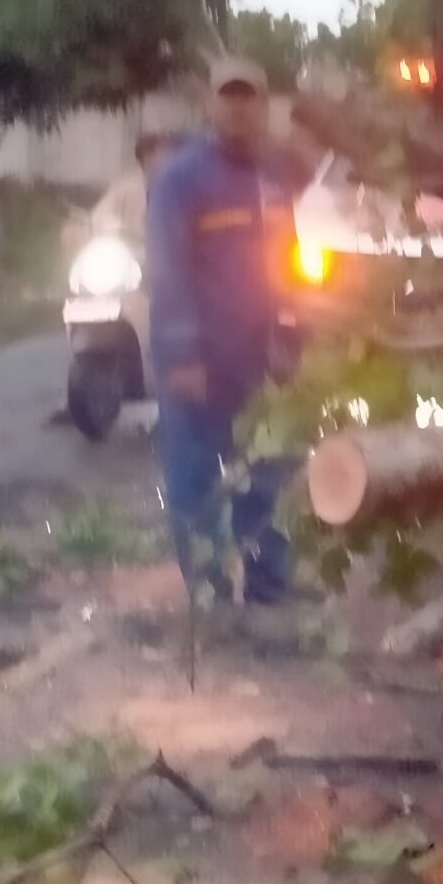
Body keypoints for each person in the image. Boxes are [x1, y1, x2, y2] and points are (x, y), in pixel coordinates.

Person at [147, 58, 291, 603]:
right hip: (199, 357)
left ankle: (268, 580)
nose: (238, 107)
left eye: (248, 96)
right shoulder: (180, 179)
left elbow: (292, 263)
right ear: (211, 104)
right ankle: (205, 586)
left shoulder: (276, 178)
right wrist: (183, 354)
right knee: (196, 474)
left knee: (268, 468)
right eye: (228, 97)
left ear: (263, 105)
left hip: (261, 354)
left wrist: (291, 338)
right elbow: (168, 270)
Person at [90, 130, 183, 247]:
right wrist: (123, 230)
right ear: (148, 157)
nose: (171, 158)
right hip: (134, 252)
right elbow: (98, 217)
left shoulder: (178, 186)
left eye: (170, 153)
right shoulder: (127, 186)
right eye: (164, 153)